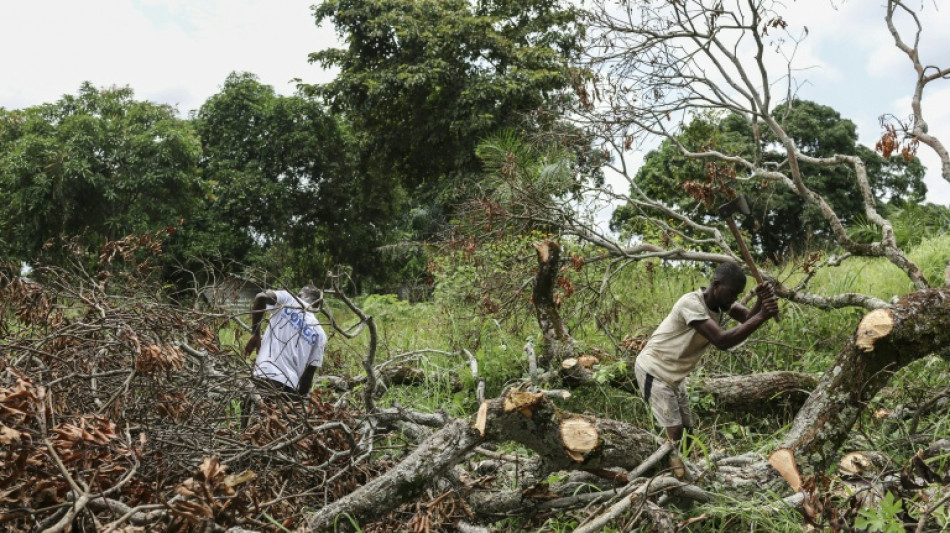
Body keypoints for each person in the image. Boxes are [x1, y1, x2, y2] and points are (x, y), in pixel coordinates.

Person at [634, 262, 778, 478]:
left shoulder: (722, 303)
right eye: (732, 293)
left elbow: (747, 320)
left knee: (688, 433)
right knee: (674, 433)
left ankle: (682, 474)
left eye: (737, 294)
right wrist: (762, 315)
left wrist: (760, 302)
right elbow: (721, 340)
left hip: (674, 376)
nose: (734, 299)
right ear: (716, 285)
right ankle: (662, 478)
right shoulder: (691, 303)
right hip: (654, 369)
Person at [244, 285, 328, 398]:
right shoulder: (320, 333)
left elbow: (261, 297)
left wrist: (255, 333)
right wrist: (299, 401)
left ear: (299, 295)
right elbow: (308, 376)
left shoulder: (288, 299)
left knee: (250, 413)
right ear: (317, 306)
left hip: (264, 374)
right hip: (289, 389)